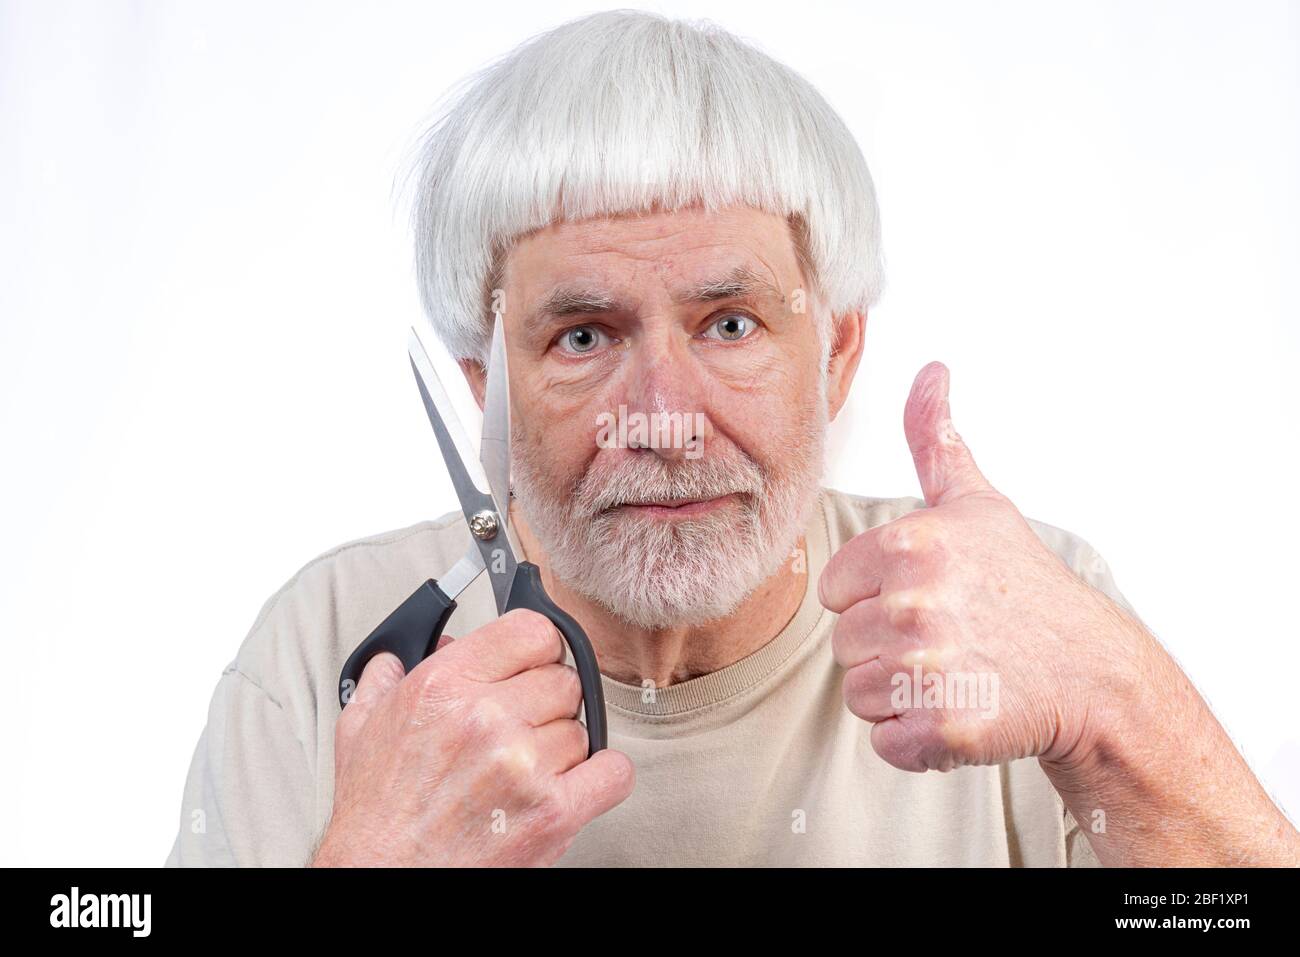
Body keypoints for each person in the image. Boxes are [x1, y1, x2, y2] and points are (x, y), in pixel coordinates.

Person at [166, 9, 1299, 867]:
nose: (663, 415)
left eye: (731, 322)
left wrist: (1119, 717)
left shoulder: (1011, 610)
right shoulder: (326, 659)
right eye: (580, 336)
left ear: (838, 354)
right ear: (483, 388)